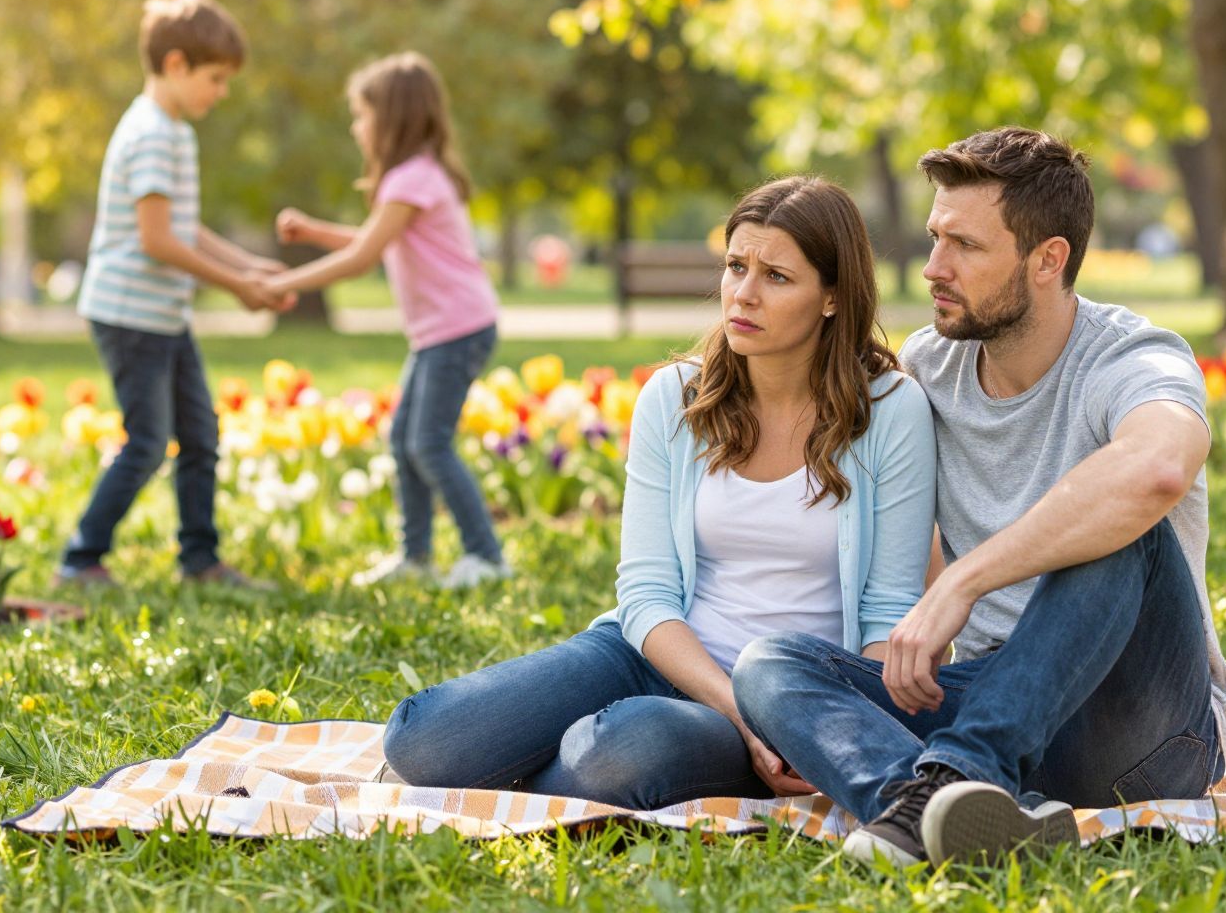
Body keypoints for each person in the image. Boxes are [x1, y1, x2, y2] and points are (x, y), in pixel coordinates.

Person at [732, 127, 1226, 867]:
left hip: (1142, 732)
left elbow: (1158, 468)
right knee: (770, 665)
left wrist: (966, 584)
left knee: (1124, 520)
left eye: (964, 246)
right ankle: (958, 813)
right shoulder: (929, 368)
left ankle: (953, 776)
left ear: (1048, 259)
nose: (934, 266)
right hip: (996, 699)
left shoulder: (1134, 357)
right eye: (935, 237)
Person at [379, 176, 937, 810]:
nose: (743, 294)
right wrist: (735, 711)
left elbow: (889, 611)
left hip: (790, 696)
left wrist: (817, 730)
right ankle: (547, 766)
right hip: (653, 655)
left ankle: (562, 766)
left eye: (776, 277)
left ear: (832, 297)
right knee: (419, 740)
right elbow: (645, 594)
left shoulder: (890, 410)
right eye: (735, 267)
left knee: (622, 747)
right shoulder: (675, 397)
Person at [59, 0, 289, 589]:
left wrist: (249, 266)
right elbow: (157, 240)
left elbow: (183, 228)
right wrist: (238, 285)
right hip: (131, 316)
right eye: (215, 78)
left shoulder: (174, 131)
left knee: (200, 435)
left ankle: (200, 560)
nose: (222, 92)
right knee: (147, 443)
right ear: (177, 64)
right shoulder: (153, 133)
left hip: (162, 314)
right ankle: (80, 560)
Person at [267, 52, 507, 589]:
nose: (356, 127)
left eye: (361, 114)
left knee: (428, 443)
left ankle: (486, 556)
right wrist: (311, 233)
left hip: (457, 328)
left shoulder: (412, 179)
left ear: (391, 118)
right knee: (404, 440)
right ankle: (416, 557)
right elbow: (372, 244)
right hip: (442, 331)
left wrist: (280, 283)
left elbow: (359, 259)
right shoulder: (416, 177)